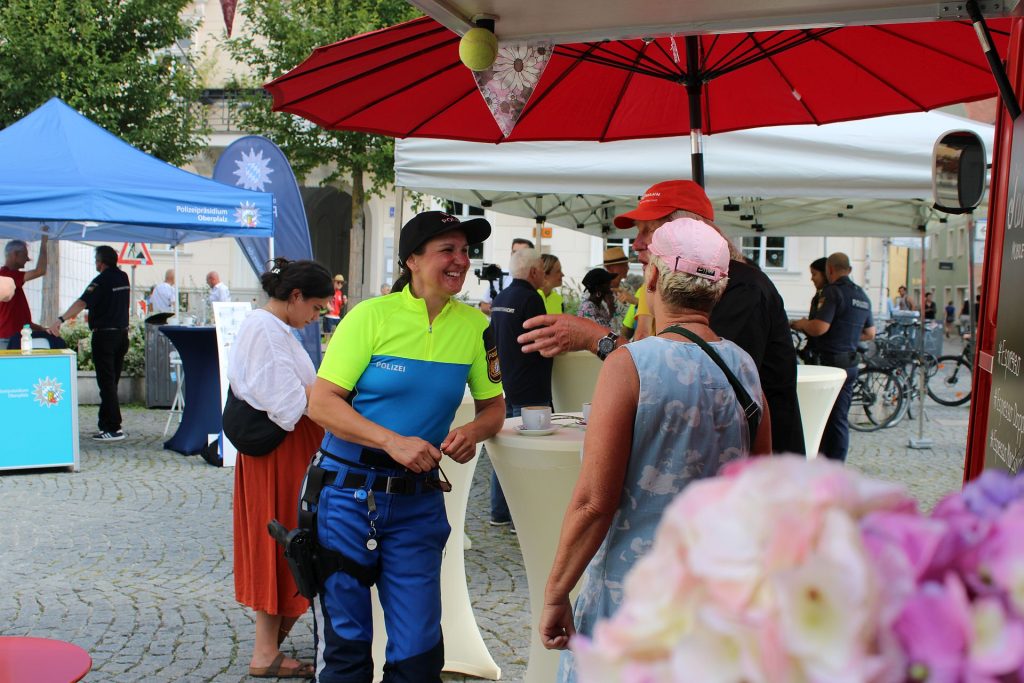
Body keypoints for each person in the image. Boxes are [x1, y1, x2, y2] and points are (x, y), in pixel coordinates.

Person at [539, 218, 771, 680]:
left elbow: (593, 502)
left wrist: (555, 592)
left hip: (633, 596)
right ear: (718, 290)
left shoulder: (630, 364)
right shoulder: (744, 366)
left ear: (654, 278)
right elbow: (761, 492)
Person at [305, 210, 505, 681]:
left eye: (464, 251)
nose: (460, 261)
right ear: (413, 260)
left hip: (417, 504)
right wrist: (391, 441)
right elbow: (322, 403)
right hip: (346, 498)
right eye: (446, 251)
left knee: (418, 654)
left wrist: (471, 433)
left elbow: (494, 409)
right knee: (348, 648)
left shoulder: (475, 326)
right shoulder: (370, 317)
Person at [519, 179, 804, 455]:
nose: (637, 244)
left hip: (757, 483)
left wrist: (596, 338)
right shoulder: (688, 288)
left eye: (649, 231)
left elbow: (694, 383)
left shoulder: (740, 288)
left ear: (687, 233)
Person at [230, 258, 332, 680]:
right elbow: (288, 403)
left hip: (284, 453)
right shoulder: (266, 331)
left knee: (289, 541)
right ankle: (266, 650)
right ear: (295, 297)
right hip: (280, 455)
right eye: (316, 307)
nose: (316, 316)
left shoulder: (274, 329)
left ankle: (268, 646)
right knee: (286, 542)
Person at [488, 247, 551, 529]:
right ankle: (519, 517)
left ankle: (499, 511)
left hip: (507, 383)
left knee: (506, 451)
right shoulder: (531, 298)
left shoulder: (501, 297)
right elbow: (542, 341)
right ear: (535, 271)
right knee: (530, 452)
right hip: (531, 384)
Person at [790, 252, 875, 462]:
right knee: (839, 418)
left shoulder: (832, 292)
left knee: (821, 418)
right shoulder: (862, 296)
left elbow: (819, 328)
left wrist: (799, 324)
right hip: (849, 364)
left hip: (827, 366)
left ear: (829, 270)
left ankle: (826, 465)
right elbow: (870, 333)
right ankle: (836, 464)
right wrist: (846, 338)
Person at [49, 246, 131, 441]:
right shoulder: (123, 277)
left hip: (105, 337)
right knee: (112, 382)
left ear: (100, 262)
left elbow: (81, 303)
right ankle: (106, 424)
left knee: (106, 383)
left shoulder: (100, 281)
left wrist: (60, 320)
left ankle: (113, 427)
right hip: (122, 336)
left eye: (96, 260)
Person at [1, 233, 67, 350]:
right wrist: (44, 242)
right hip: (8, 340)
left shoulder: (14, 280)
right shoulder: (8, 276)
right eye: (25, 255)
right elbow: (40, 271)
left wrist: (44, 330)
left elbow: (25, 322)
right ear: (15, 254)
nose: (28, 259)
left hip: (16, 339)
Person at [479, 237, 534, 315]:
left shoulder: (536, 278)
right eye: (514, 252)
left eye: (522, 253)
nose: (517, 256)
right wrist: (500, 311)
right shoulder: (500, 275)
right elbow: (483, 305)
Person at [800, 256, 828, 364]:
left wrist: (804, 324)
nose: (811, 278)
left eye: (814, 274)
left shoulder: (827, 295)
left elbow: (819, 328)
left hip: (820, 354)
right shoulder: (821, 295)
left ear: (825, 274)